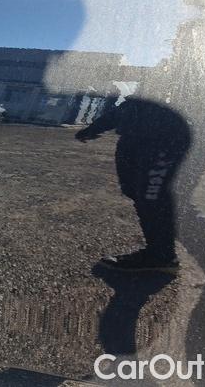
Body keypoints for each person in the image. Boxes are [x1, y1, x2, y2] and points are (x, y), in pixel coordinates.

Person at [75, 97, 190, 274]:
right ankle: (159, 252)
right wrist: (95, 128)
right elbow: (129, 106)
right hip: (134, 135)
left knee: (151, 195)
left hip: (165, 137)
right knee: (134, 190)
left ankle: (162, 255)